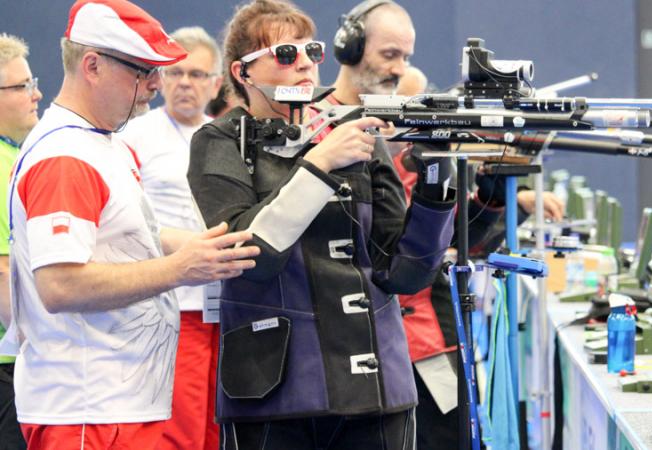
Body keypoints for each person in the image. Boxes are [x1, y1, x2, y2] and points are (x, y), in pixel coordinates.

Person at [186, 1, 456, 448]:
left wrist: (436, 182)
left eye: (311, 51)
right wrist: (321, 163)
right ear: (242, 72)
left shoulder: (351, 132)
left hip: (376, 391)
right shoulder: (218, 142)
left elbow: (403, 272)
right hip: (274, 391)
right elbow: (249, 255)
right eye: (286, 55)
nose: (306, 65)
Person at [6, 1, 260, 449]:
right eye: (145, 71)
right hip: (88, 412)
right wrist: (183, 268)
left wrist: (207, 245)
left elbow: (125, 237)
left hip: (116, 402)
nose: (156, 86)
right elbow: (60, 286)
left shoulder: (102, 142)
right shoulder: (65, 157)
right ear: (92, 66)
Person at [325, 3, 566, 448]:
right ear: (350, 46)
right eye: (389, 54)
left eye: (406, 57)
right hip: (347, 343)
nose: (398, 70)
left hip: (427, 336)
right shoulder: (321, 129)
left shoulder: (410, 138)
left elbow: (456, 238)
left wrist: (494, 194)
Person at [120, 26, 223, 450]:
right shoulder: (134, 134)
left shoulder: (225, 136)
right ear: (161, 79)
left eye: (198, 75)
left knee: (219, 424)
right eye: (177, 72)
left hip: (224, 304)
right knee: (179, 428)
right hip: (170, 305)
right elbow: (126, 220)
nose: (186, 83)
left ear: (217, 83)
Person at [0, 32, 42, 450]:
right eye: (23, 85)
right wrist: (46, 351)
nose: (37, 93)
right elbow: (3, 275)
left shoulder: (14, 156)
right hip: (11, 364)